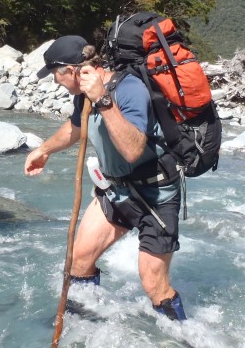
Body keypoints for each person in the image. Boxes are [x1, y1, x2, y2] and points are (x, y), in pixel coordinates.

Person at [24, 35, 188, 320]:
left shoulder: (129, 90)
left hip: (156, 195)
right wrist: (44, 149)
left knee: (154, 285)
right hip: (117, 189)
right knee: (78, 260)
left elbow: (133, 149)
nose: (55, 83)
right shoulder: (83, 96)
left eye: (55, 76)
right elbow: (76, 127)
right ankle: (86, 326)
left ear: (71, 70)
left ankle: (187, 343)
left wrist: (102, 99)